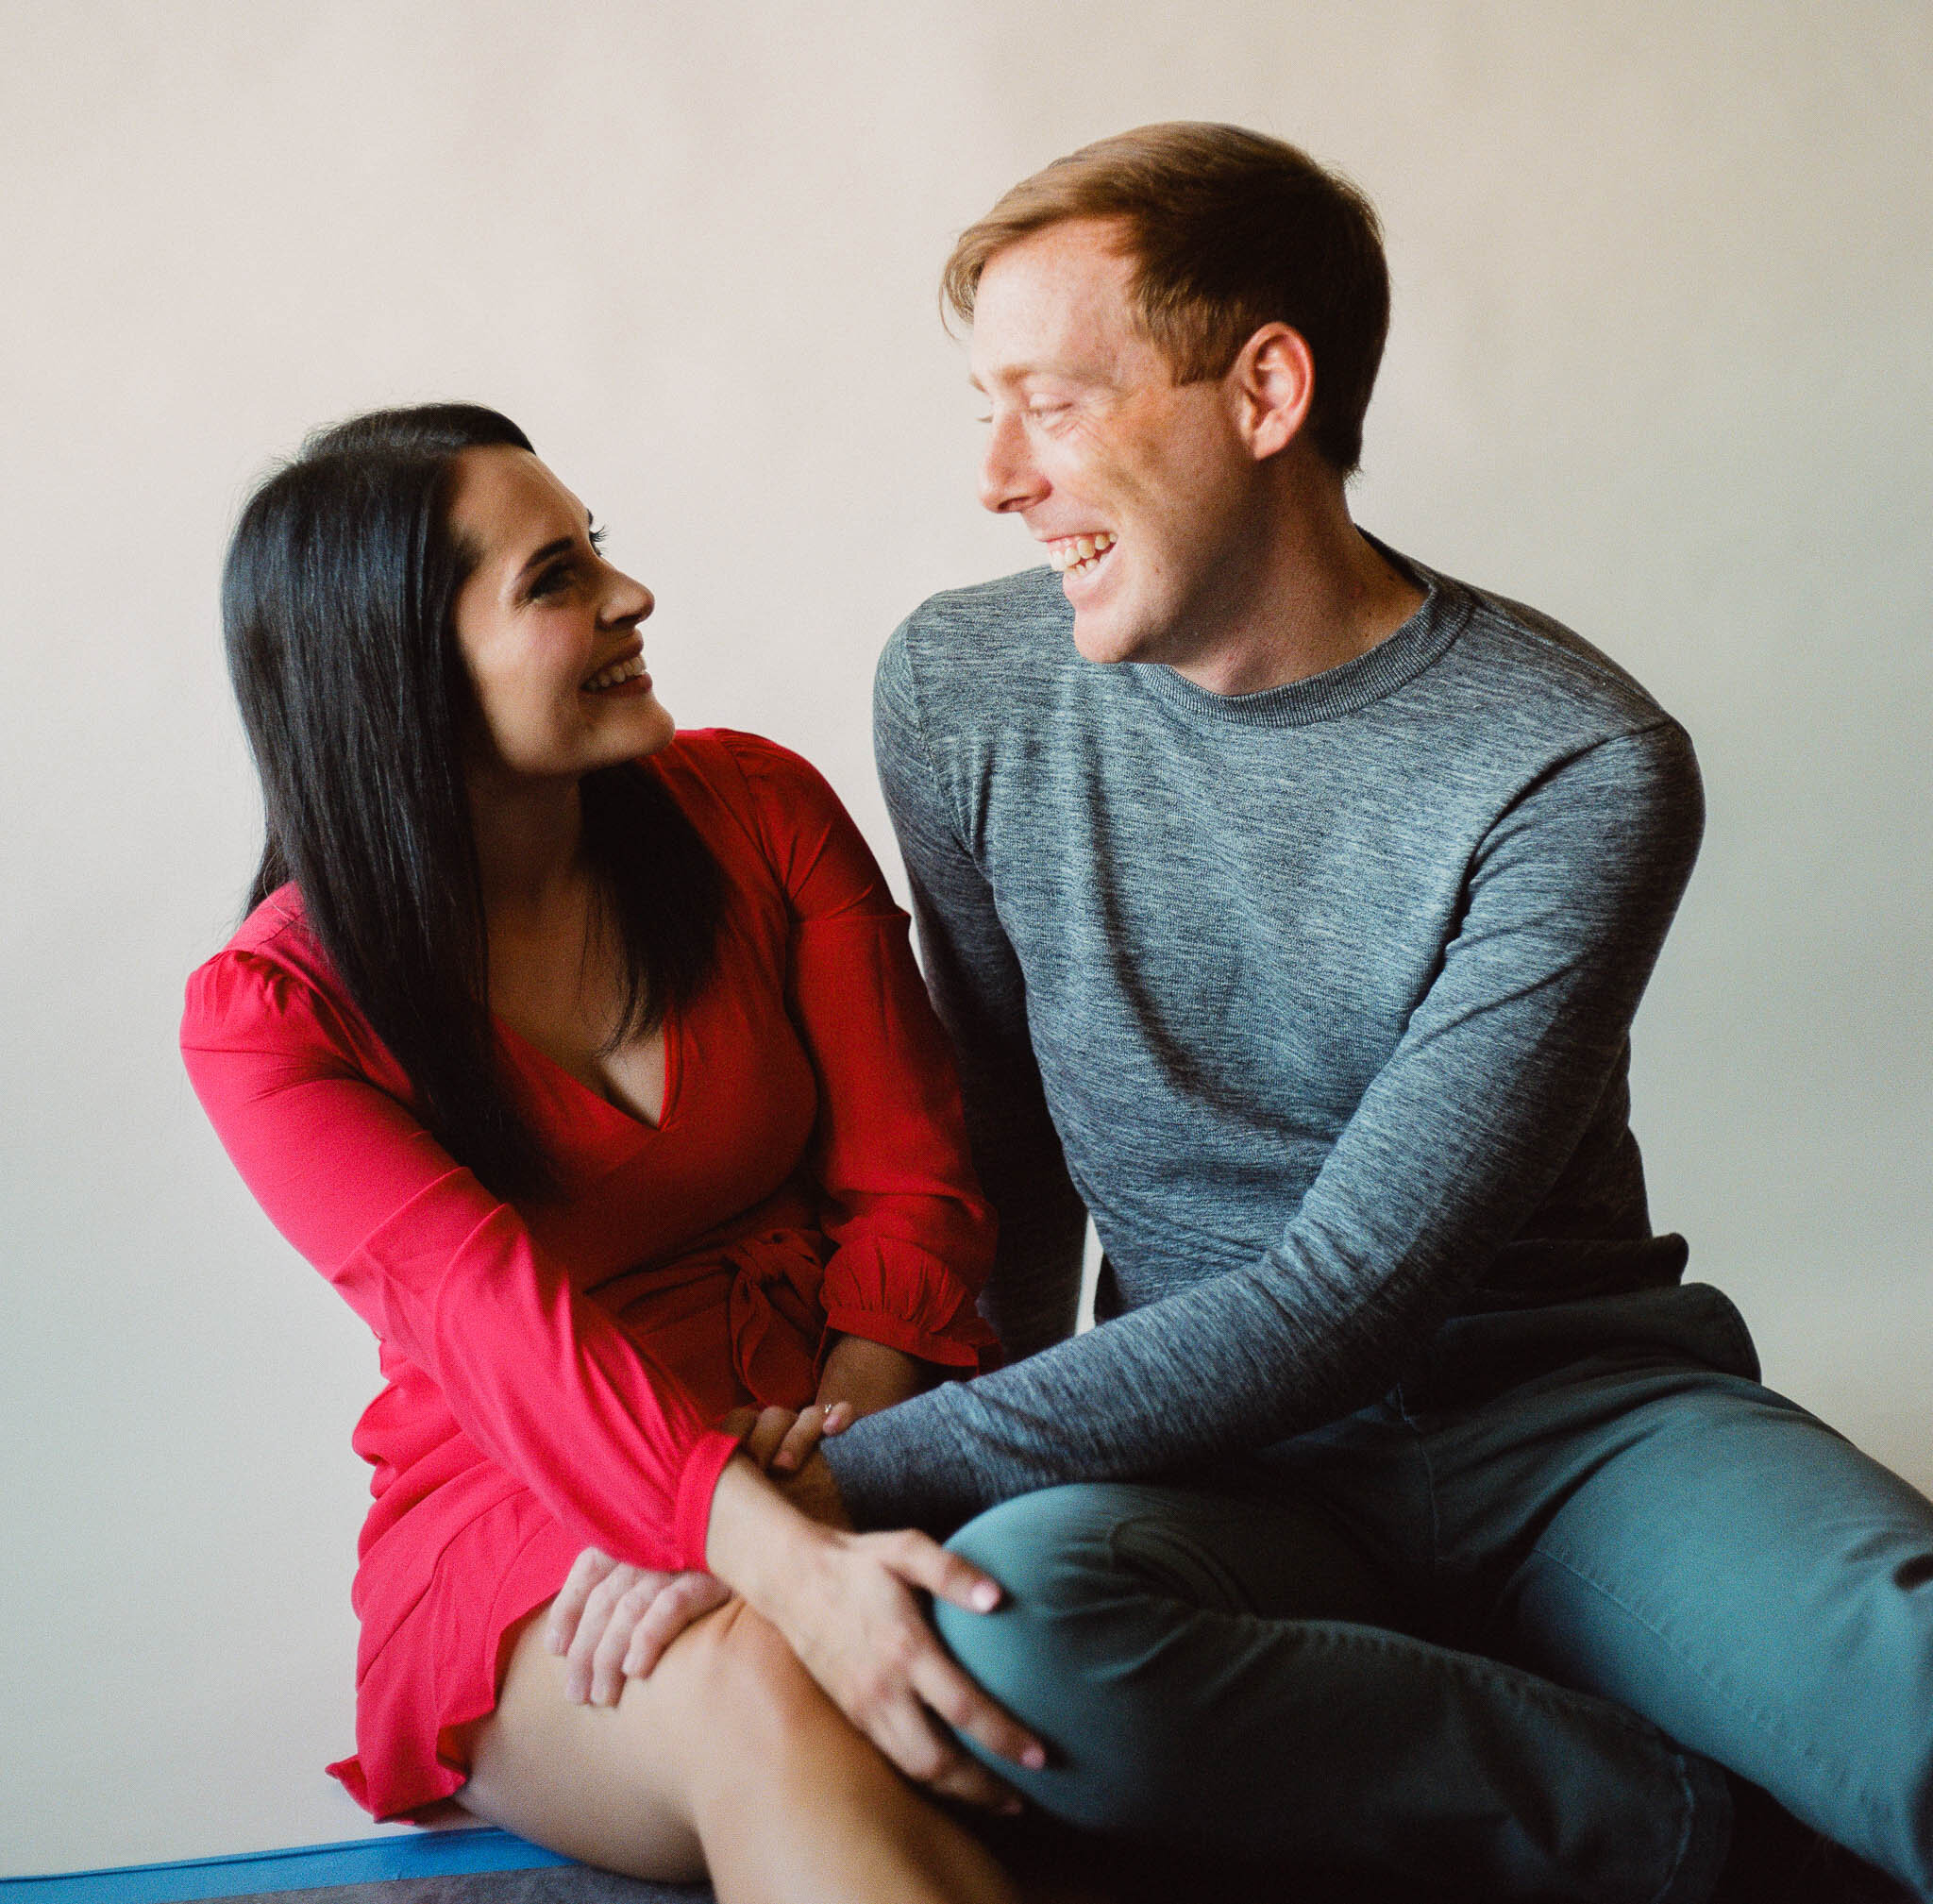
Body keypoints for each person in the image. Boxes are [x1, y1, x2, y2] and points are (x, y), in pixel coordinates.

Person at [753, 126, 1932, 1901]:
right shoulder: (961, 689)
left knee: (1915, 1694)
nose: (998, 473)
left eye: (1054, 404)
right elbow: (1000, 1136)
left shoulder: (1575, 761)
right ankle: (1701, 1835)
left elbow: (1348, 1294)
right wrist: (943, 1479)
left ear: (1266, 390)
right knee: (1021, 1643)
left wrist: (833, 1486)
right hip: (1205, 1460)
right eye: (982, 407)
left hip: (1573, 1428)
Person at [180, 404, 1053, 1904]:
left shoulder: (762, 808)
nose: (627, 595)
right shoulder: (272, 1015)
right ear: (397, 669)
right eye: (553, 580)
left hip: (856, 1405)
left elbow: (919, 1178)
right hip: (529, 1486)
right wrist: (768, 1555)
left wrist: (836, 1455)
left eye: (600, 548)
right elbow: (489, 1325)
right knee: (764, 1684)